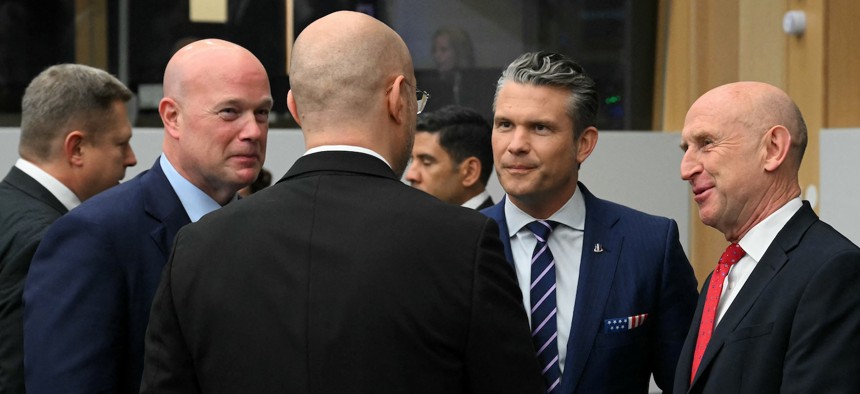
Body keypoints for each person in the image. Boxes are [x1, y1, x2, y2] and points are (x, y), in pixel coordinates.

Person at [139, 11, 544, 394]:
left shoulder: (197, 247)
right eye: (415, 99)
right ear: (397, 98)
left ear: (294, 108)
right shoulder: (462, 243)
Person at [23, 39, 272, 394]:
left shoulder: (266, 230)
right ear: (172, 117)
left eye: (262, 112)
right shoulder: (94, 236)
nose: (253, 132)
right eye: (230, 112)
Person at [482, 51, 698, 393]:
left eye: (540, 128)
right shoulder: (456, 246)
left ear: (583, 144)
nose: (516, 145)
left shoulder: (649, 246)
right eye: (505, 125)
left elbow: (687, 383)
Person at [673, 81, 860, 393]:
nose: (685, 169)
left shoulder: (832, 272)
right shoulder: (722, 277)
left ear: (773, 149)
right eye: (686, 149)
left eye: (706, 143)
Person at [0, 64, 137, 394]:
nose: (131, 159)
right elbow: (21, 375)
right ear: (76, 149)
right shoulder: (52, 240)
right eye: (121, 144)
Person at [405, 104, 494, 209]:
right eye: (411, 160)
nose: (410, 175)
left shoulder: (491, 220)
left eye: (426, 162)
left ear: (470, 172)